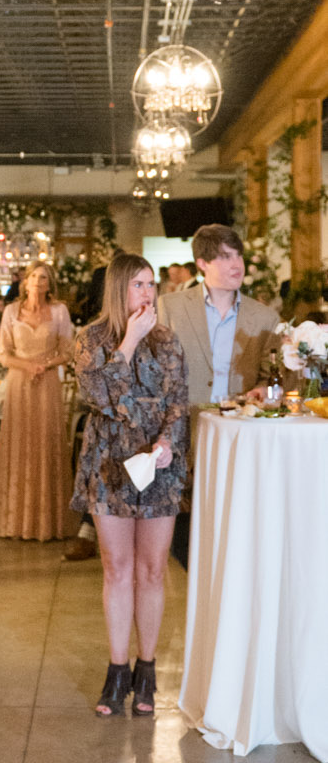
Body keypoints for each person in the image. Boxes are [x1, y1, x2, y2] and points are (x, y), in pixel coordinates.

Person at [73, 252, 188, 717]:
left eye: (151, 284)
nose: (147, 293)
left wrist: (166, 443)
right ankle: (116, 670)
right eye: (138, 284)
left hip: (158, 468)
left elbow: (179, 403)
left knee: (153, 571)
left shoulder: (168, 341)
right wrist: (128, 342)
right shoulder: (93, 338)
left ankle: (147, 670)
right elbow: (97, 395)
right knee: (117, 568)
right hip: (108, 465)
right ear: (118, 290)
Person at [157, 224, 280, 568]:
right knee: (187, 535)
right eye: (225, 257)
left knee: (237, 522)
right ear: (202, 264)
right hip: (185, 430)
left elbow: (273, 378)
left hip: (241, 430)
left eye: (238, 255)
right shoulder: (170, 307)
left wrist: (263, 389)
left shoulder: (265, 316)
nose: (235, 264)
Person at [0, 262, 73, 541]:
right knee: (19, 443)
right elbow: (3, 353)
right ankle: (14, 521)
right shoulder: (12, 312)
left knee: (46, 442)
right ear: (25, 282)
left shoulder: (60, 311)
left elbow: (68, 351)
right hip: (19, 384)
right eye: (34, 277)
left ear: (50, 284)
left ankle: (49, 522)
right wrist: (28, 366)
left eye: (44, 278)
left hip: (47, 385)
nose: (38, 282)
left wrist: (46, 364)